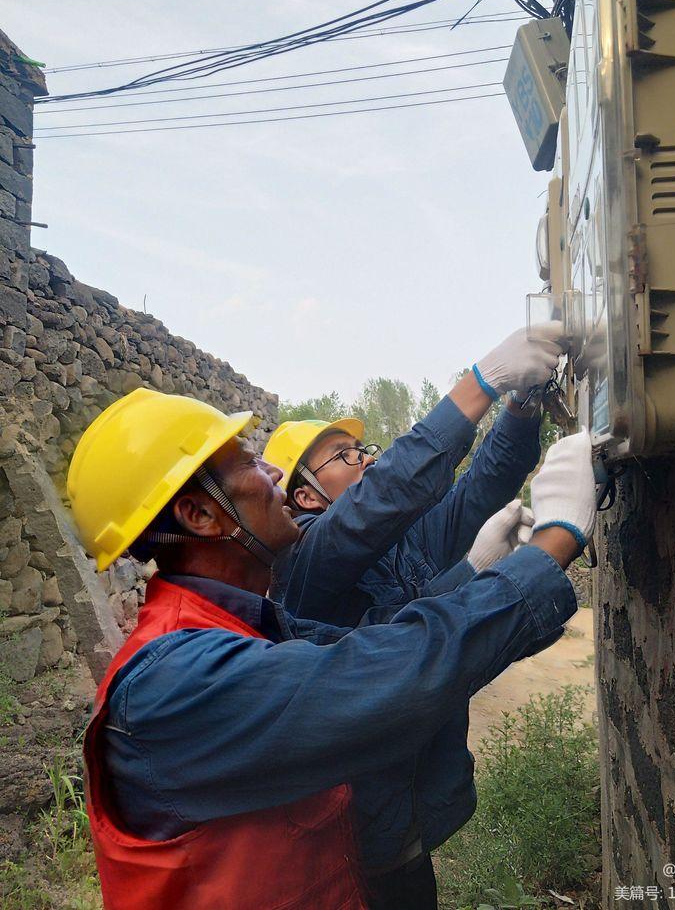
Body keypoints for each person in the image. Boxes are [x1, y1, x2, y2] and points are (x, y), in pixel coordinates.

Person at [68, 386, 595, 910]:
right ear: (200, 515)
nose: (271, 471)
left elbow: (385, 645)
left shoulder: (253, 624)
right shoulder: (175, 680)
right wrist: (554, 544)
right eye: (250, 463)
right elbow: (396, 674)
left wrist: (488, 570)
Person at [265, 325, 564, 626]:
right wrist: (482, 382)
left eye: (361, 449)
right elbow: (383, 493)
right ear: (306, 496)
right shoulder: (298, 563)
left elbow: (481, 488)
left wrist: (522, 402)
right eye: (345, 454)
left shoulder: (402, 543)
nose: (367, 458)